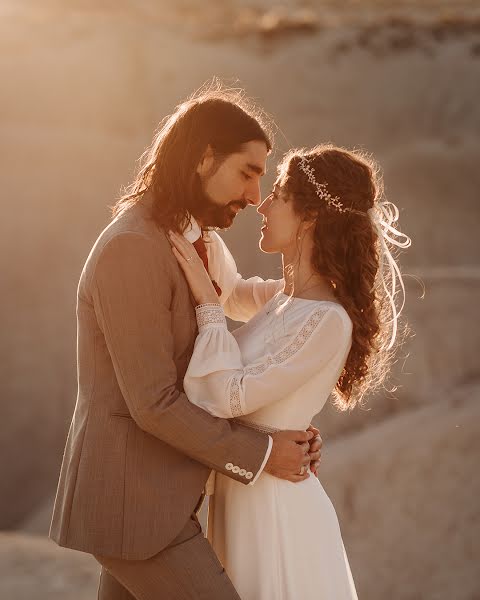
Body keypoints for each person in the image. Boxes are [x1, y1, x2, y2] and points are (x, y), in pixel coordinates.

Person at [48, 83, 323, 600]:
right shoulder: (132, 249)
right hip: (134, 504)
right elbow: (153, 403)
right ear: (203, 158)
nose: (253, 197)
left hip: (159, 502)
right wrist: (265, 454)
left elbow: (234, 309)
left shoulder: (199, 243)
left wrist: (319, 295)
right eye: (247, 173)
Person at [170, 143, 411, 599]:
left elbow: (226, 396)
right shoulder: (284, 299)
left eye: (277, 194)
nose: (262, 204)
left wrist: (206, 304)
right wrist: (199, 221)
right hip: (244, 502)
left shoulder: (326, 320)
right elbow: (233, 291)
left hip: (276, 514)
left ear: (310, 216)